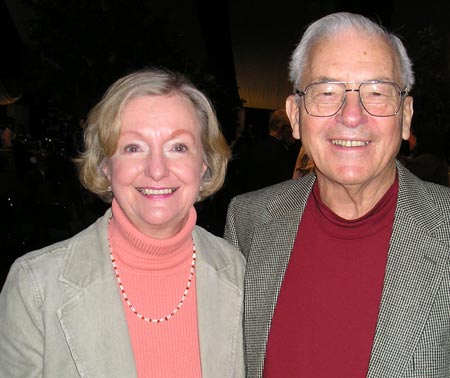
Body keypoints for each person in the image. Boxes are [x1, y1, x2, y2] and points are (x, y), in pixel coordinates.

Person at [224, 12, 450, 377]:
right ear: (295, 116)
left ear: (406, 116)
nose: (351, 115)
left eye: (376, 92)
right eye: (326, 92)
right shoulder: (248, 221)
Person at [0, 68, 245, 378]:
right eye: (134, 147)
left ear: (205, 163)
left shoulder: (239, 273)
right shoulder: (35, 287)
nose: (157, 169)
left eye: (178, 147)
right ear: (105, 164)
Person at [246, 108, 298, 191]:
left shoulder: (258, 146)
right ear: (283, 128)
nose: (295, 135)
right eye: (291, 129)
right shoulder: (280, 152)